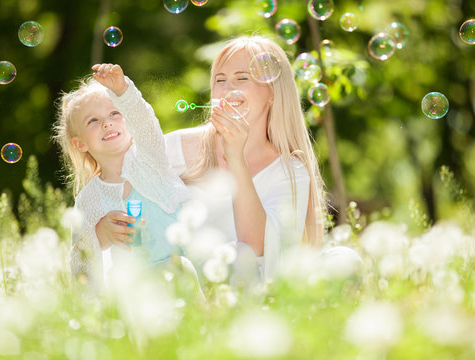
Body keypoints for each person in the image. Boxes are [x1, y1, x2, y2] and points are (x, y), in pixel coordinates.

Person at [97, 35, 326, 282]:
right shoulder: (173, 148)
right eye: (220, 80)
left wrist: (235, 156)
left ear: (272, 93)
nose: (227, 88)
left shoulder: (290, 172)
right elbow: (120, 197)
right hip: (174, 284)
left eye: (242, 78)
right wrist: (104, 229)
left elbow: (256, 250)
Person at [53, 63, 190, 290]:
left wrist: (123, 91)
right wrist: (99, 235)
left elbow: (145, 124)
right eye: (92, 121)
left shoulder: (150, 160)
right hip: (139, 290)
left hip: (191, 266)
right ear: (80, 144)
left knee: (183, 268)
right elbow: (79, 264)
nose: (107, 123)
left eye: (115, 113)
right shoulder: (90, 199)